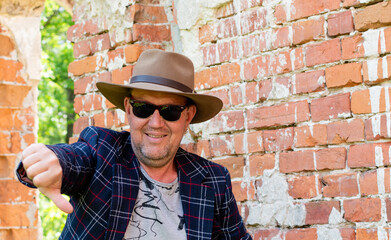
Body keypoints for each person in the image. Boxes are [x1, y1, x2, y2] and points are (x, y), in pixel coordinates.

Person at [16, 49, 252, 240]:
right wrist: (48, 161)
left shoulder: (213, 180)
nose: (156, 123)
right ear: (129, 109)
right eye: (143, 108)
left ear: (188, 116)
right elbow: (75, 159)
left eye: (170, 111)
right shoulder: (102, 152)